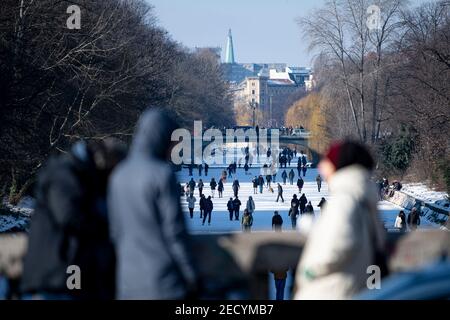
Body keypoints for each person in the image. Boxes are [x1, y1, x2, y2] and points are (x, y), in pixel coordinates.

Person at [108, 110, 199, 299]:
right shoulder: (161, 174)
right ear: (163, 139)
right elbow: (175, 232)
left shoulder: (118, 175)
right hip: (162, 280)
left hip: (127, 280)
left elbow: (115, 231)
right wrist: (191, 275)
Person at [21, 139, 126, 300]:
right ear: (102, 162)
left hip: (72, 275)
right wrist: (108, 227)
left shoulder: (85, 176)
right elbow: (69, 216)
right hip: (54, 276)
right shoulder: (64, 173)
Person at [294, 140, 386, 300]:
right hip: (352, 288)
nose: (321, 167)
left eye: (326, 162)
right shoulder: (363, 197)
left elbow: (341, 243)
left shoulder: (344, 199)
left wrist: (309, 271)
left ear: (340, 166)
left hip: (330, 291)